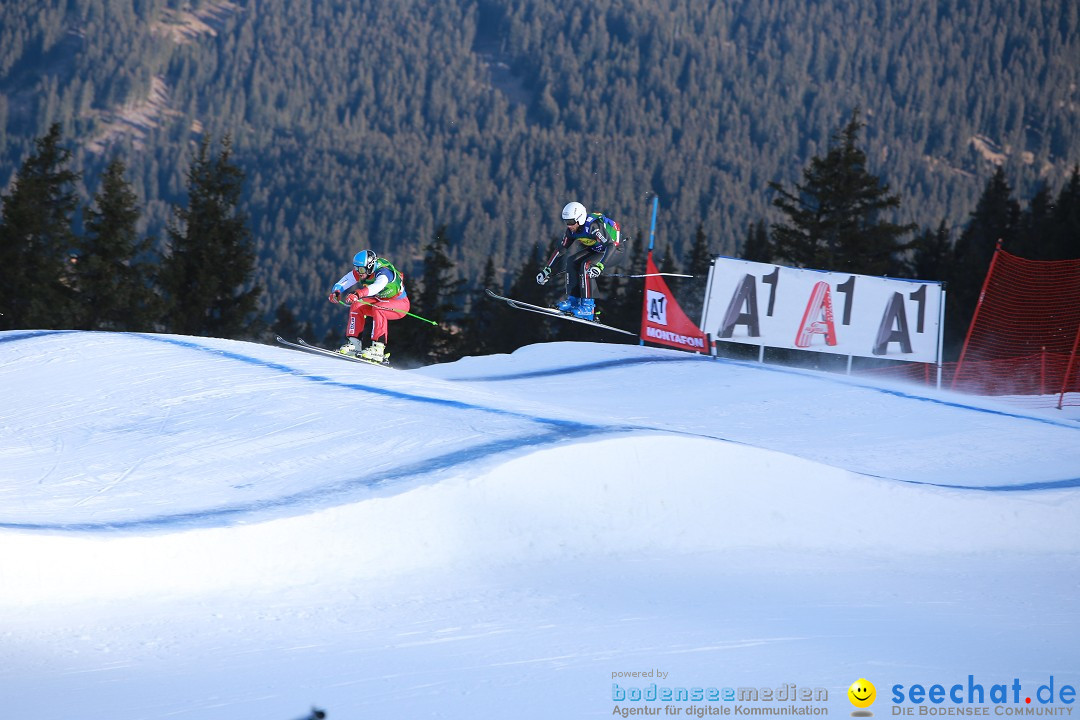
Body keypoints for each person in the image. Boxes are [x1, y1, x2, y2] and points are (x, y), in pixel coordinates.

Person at [535, 201, 621, 321]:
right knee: (571, 261)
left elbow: (610, 246)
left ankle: (588, 308)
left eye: (570, 222)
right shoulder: (571, 231)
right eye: (566, 222)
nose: (569, 225)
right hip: (597, 249)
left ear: (580, 219)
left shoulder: (592, 226)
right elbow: (561, 250)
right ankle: (573, 301)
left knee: (586, 265)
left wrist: (600, 266)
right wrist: (547, 270)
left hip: (614, 251)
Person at [327, 249, 409, 363]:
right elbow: (346, 280)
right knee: (357, 305)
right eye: (356, 268)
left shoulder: (384, 272)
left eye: (360, 269)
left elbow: (377, 286)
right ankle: (354, 344)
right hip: (380, 300)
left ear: (370, 266)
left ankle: (378, 349)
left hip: (400, 305)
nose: (358, 272)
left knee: (379, 308)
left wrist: (358, 293)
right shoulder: (363, 270)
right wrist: (336, 291)